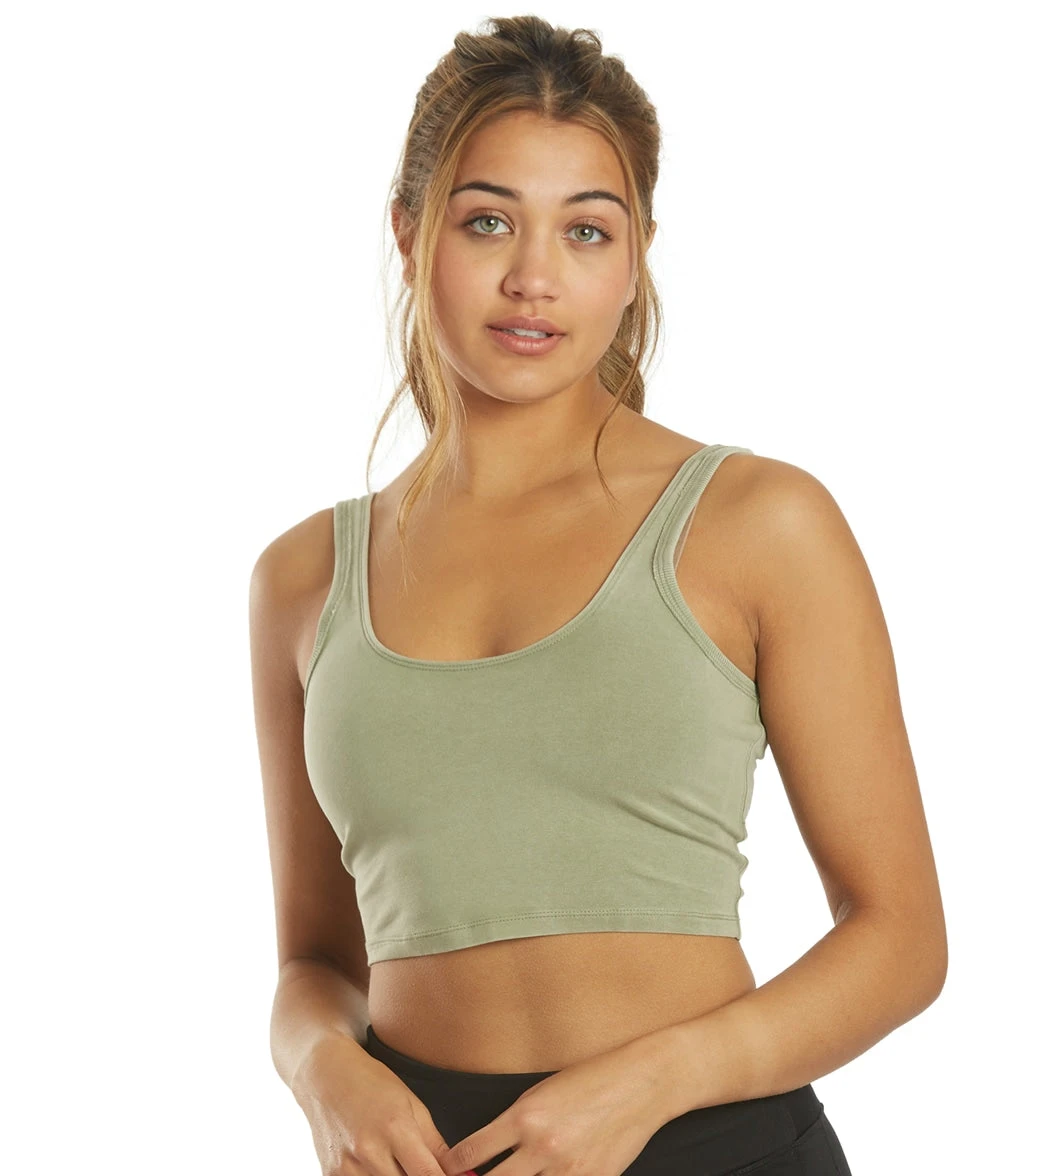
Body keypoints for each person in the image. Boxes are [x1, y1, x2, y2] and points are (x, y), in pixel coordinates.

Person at [249, 15, 946, 1176]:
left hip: (711, 1142)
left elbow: (902, 939)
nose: (535, 277)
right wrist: (323, 1069)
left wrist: (649, 1087)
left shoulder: (758, 523)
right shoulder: (303, 578)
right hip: (427, 1158)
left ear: (636, 257)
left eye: (586, 230)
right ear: (410, 232)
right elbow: (315, 962)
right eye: (487, 221)